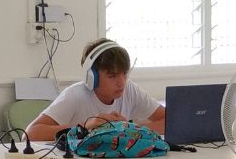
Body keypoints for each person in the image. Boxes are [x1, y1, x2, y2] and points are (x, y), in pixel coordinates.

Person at [25, 38, 165, 142]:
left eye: (124, 74)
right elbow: (30, 134)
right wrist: (83, 128)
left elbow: (170, 121)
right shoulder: (75, 95)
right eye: (112, 76)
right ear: (92, 77)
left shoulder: (130, 90)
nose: (121, 83)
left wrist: (131, 128)